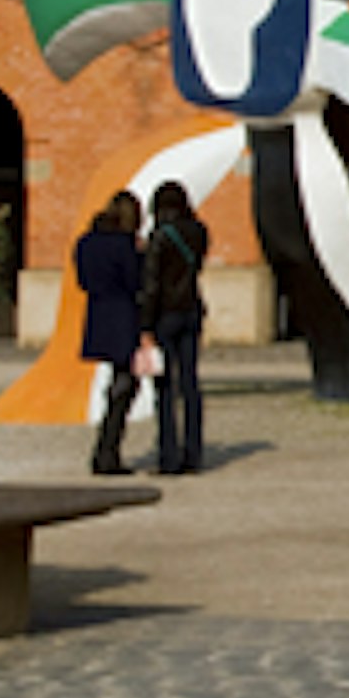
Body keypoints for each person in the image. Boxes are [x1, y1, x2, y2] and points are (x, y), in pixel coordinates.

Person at [73, 192, 148, 478]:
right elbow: (135, 281)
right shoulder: (124, 245)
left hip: (97, 314)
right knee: (126, 385)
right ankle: (107, 450)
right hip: (123, 316)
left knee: (119, 381)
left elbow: (82, 280)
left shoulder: (86, 242)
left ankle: (107, 449)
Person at [142, 179, 210, 476]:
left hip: (165, 315)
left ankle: (169, 455)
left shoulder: (159, 237)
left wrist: (145, 324)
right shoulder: (198, 233)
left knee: (165, 388)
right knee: (190, 383)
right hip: (191, 310)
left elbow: (153, 284)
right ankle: (193, 453)